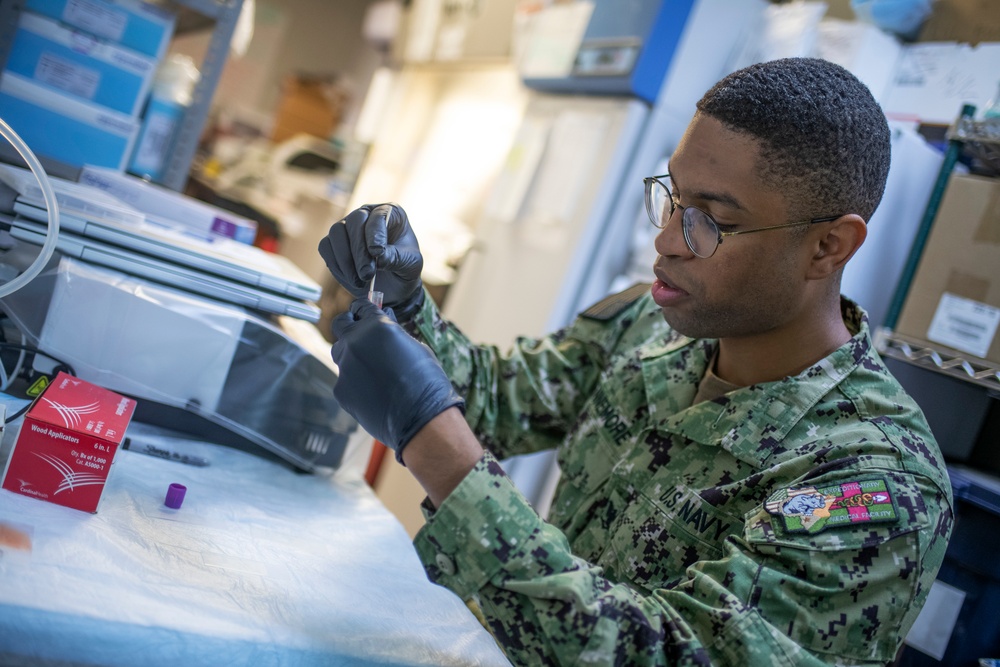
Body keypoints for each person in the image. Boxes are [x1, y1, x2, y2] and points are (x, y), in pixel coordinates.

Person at [318, 57, 953, 666]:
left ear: (827, 246)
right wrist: (402, 305)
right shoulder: (654, 324)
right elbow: (500, 398)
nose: (667, 238)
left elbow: (667, 655)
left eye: (711, 219)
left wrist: (437, 447)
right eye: (671, 199)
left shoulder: (876, 487)